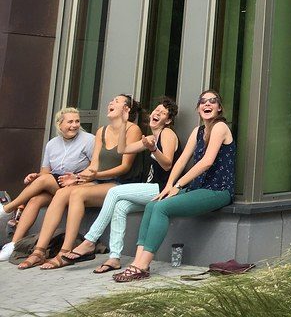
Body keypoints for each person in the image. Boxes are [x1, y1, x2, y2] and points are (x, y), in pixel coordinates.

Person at [113, 90, 235, 282]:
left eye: (213, 101)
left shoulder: (220, 127)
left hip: (218, 190)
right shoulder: (198, 131)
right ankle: (137, 262)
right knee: (153, 204)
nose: (207, 104)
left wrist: (179, 184)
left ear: (219, 108)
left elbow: (206, 162)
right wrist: (169, 187)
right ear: (198, 108)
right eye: (203, 101)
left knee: (162, 208)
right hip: (197, 188)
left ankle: (142, 266)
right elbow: (181, 161)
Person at [17, 95, 144, 270]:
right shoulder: (102, 131)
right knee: (62, 192)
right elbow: (94, 165)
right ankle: (39, 251)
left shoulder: (132, 129)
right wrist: (77, 178)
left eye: (116, 100)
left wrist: (91, 176)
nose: (111, 102)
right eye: (111, 99)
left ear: (126, 109)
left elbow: (124, 167)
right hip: (99, 181)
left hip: (119, 183)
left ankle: (65, 251)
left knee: (77, 193)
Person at [64, 97, 182, 274]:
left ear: (169, 120)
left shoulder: (167, 134)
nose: (157, 113)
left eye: (163, 113)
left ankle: (90, 240)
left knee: (114, 192)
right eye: (156, 110)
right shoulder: (150, 137)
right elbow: (122, 150)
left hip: (162, 188)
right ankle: (114, 257)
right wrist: (125, 124)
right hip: (150, 190)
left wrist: (153, 149)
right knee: (120, 207)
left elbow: (167, 164)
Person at [0, 108, 95, 262]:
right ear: (59, 124)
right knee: (34, 200)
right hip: (55, 186)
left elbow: (95, 168)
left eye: (77, 121)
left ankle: (7, 208)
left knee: (45, 181)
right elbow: (45, 173)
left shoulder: (89, 140)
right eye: (70, 121)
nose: (75, 125)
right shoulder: (52, 144)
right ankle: (13, 245)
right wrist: (36, 177)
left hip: (78, 185)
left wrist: (77, 178)